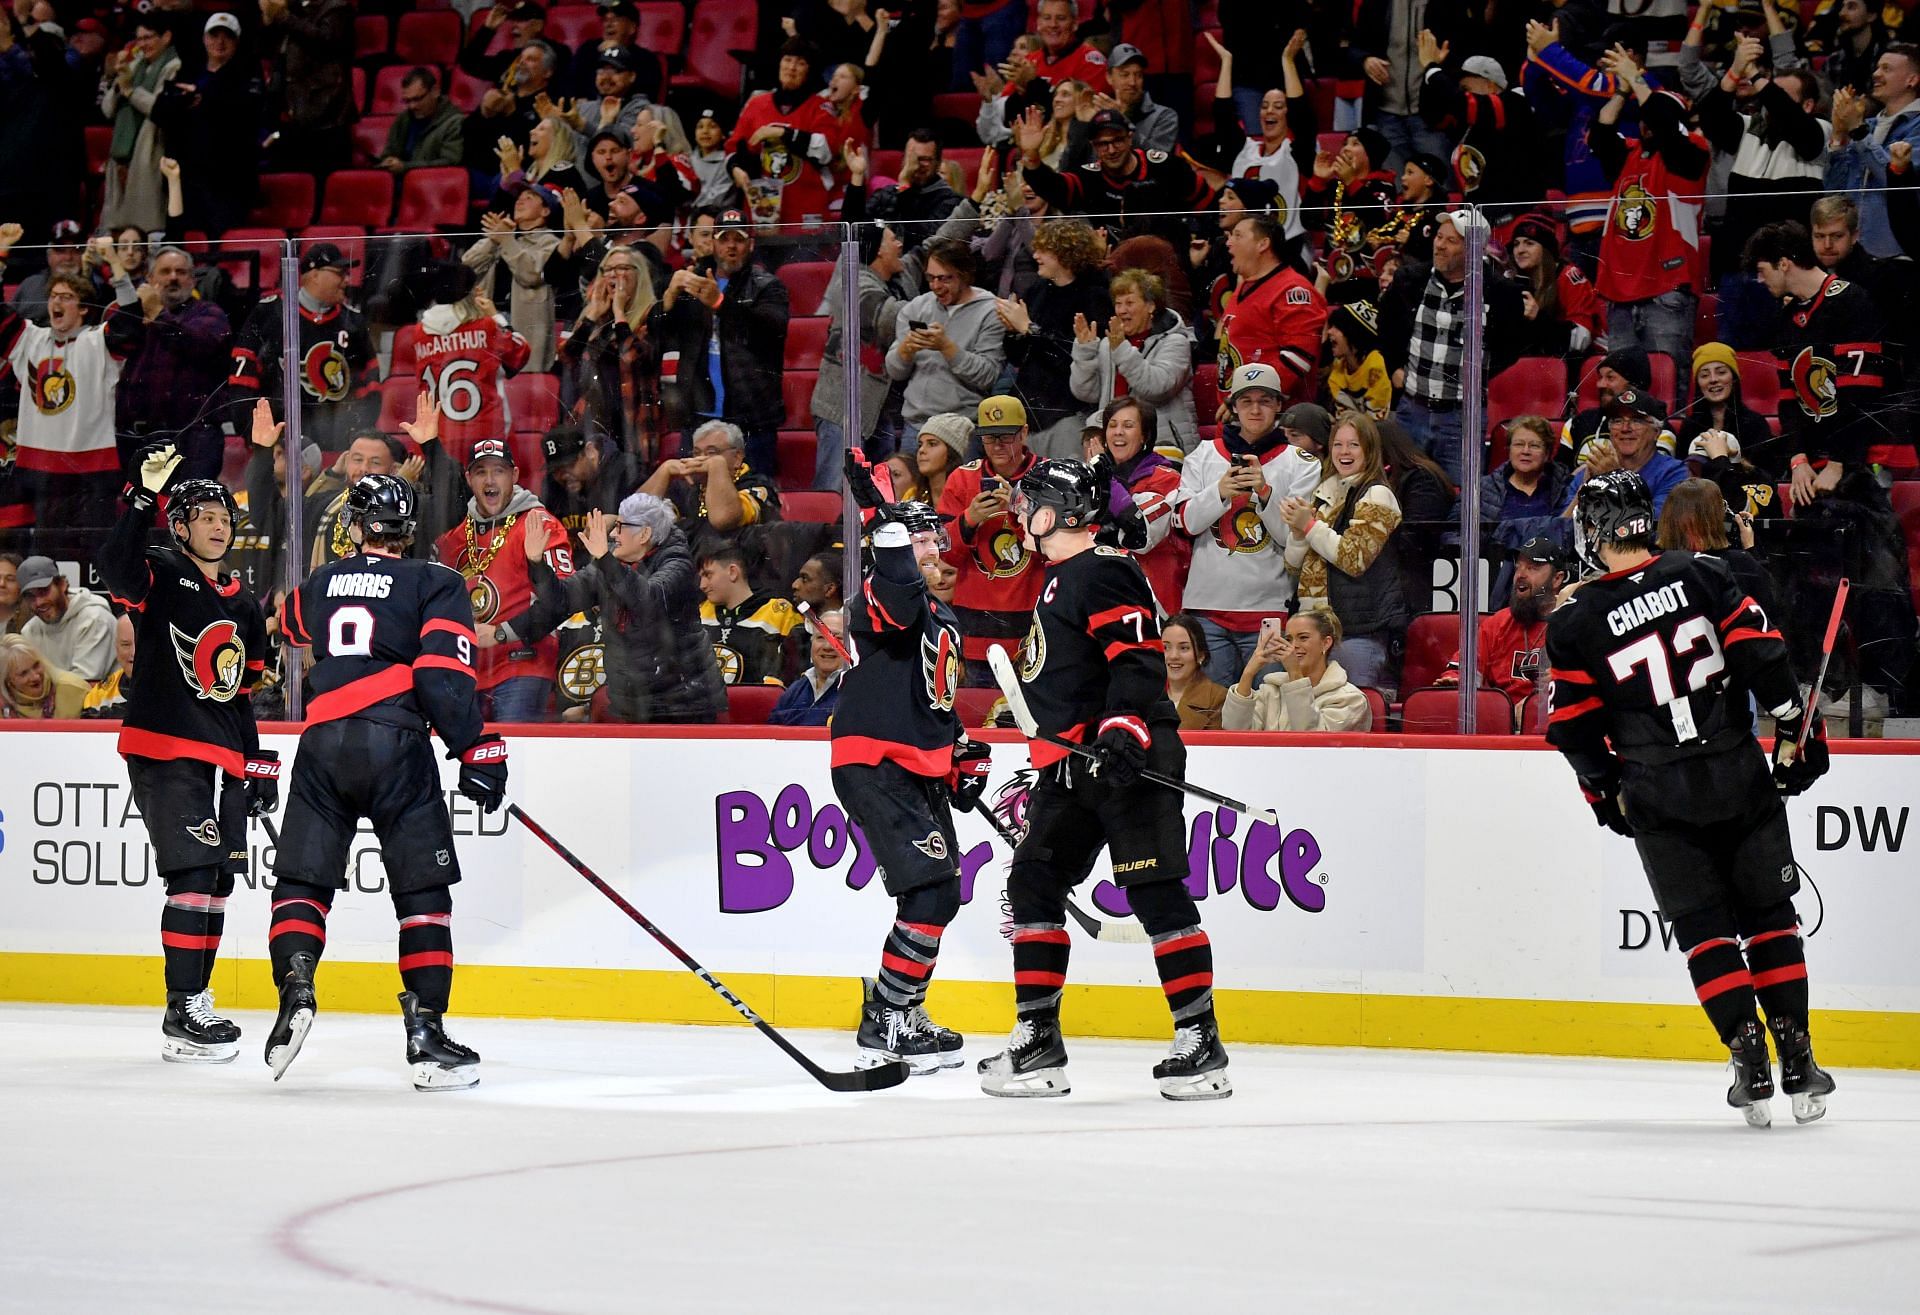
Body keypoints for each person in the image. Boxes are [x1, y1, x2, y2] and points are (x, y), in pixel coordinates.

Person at [1547, 469, 1835, 1126]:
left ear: (1596, 529)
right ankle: (1796, 1053)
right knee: (1769, 915)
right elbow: (1762, 655)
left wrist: (1604, 793)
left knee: (1705, 932)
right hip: (1737, 768)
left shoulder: (1577, 619)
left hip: (1657, 789)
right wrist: (1795, 725)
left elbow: (1573, 728)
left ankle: (1748, 1057)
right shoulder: (1702, 572)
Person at [981, 458, 1230, 1101]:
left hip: (1129, 757)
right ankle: (1038, 1043)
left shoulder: (1104, 570)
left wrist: (1124, 728)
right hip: (1073, 763)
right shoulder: (1061, 578)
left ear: (1062, 514)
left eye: (1030, 500)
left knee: (1155, 893)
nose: (1018, 510)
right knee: (1033, 881)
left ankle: (1200, 1043)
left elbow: (1138, 658)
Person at [267, 474, 507, 1091]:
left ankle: (295, 984)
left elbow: (287, 625)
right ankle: (426, 1032)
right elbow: (438, 675)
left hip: (321, 745)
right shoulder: (436, 581)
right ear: (409, 528)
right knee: (422, 896)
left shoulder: (321, 582)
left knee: (302, 881)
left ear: (355, 525)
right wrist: (476, 748)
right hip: (394, 745)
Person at [97, 443, 271, 1064]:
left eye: (225, 516)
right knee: (194, 876)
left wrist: (254, 765)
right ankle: (183, 1007)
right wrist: (141, 498)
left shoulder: (244, 603)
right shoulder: (162, 573)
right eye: (204, 516)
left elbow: (241, 696)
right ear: (179, 526)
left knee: (217, 881)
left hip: (221, 759)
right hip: (164, 748)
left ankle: (192, 1002)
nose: (219, 524)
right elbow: (114, 568)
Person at [826, 479, 982, 1072]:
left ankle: (901, 1010)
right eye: (920, 536)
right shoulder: (879, 594)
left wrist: (963, 750)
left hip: (916, 763)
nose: (932, 543)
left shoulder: (940, 612)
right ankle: (889, 1019)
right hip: (876, 760)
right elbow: (894, 600)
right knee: (930, 890)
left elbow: (930, 698)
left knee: (940, 891)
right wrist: (888, 534)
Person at [1175, 363, 1325, 686]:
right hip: (1207, 608)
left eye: (1265, 401)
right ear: (1233, 407)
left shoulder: (1302, 463)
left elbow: (1291, 538)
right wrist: (1219, 493)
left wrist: (1264, 492)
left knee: (1268, 714)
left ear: (1278, 406)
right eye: (1246, 401)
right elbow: (1185, 523)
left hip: (1269, 609)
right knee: (1212, 715)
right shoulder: (1201, 456)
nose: (1255, 409)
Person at [525, 494, 724, 723]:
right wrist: (537, 563)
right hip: (633, 704)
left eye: (620, 527)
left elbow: (648, 601)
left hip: (684, 705)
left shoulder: (677, 563)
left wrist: (605, 558)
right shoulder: (611, 565)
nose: (612, 534)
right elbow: (562, 599)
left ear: (645, 534)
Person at [0, 230, 145, 527]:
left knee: (89, 556)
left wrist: (115, 264)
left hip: (92, 471)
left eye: (66, 297)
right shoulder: (29, 337)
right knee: (47, 555)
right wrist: (1, 252)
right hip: (39, 468)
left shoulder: (98, 341)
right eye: (54, 296)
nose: (57, 302)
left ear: (82, 309)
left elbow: (130, 323)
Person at [1745, 220, 1889, 506]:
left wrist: (1838, 462)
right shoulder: (1786, 319)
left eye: (1762, 270)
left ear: (1784, 264)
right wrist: (1798, 460)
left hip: (1860, 461)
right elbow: (1789, 399)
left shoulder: (1850, 301)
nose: (1760, 280)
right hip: (1813, 466)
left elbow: (1860, 393)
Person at [434, 434, 574, 722]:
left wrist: (501, 633)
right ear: (468, 478)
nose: (490, 481)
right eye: (481, 472)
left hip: (523, 666)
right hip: (469, 669)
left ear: (514, 475)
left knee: (515, 758)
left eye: (498, 471)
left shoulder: (539, 524)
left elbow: (563, 599)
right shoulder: (455, 537)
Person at [1381, 209, 1526, 487]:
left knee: (1460, 499)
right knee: (1398, 491)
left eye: (1451, 241)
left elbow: (1511, 348)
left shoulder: (1501, 292)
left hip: (1462, 418)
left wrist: (1478, 375)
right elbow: (1386, 325)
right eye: (1439, 237)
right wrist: (1394, 367)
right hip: (1412, 410)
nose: (1439, 245)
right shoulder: (1411, 279)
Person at [1590, 47, 1710, 361]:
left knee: (1665, 382)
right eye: (1643, 117)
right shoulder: (1630, 153)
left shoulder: (1692, 154)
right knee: (1622, 387)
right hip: (1619, 292)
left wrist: (1637, 78)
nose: (1647, 123)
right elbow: (1600, 134)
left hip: (1666, 288)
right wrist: (1623, 90)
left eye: (1654, 117)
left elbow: (1667, 129)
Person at [651, 208, 791, 475]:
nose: (731, 246)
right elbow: (659, 337)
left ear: (750, 244)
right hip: (698, 415)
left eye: (738, 240)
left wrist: (720, 303)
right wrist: (667, 299)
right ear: (713, 242)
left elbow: (769, 332)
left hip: (751, 418)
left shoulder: (767, 286)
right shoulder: (691, 280)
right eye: (724, 239)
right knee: (694, 501)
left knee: (755, 498)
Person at [1280, 410, 1411, 693]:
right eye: (1338, 444)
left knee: (1350, 717)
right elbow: (1293, 564)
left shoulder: (1378, 495)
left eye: (1354, 444)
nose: (1344, 451)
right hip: (1312, 632)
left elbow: (1354, 559)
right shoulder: (1323, 492)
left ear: (1369, 449)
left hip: (1356, 632)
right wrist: (1297, 530)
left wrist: (1310, 525)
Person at [226, 243, 376, 453]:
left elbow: (370, 388)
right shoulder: (269, 313)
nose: (347, 280)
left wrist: (359, 440)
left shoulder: (353, 321)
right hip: (275, 446)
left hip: (336, 445)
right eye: (340, 273)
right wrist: (253, 437)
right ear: (314, 275)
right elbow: (242, 381)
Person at [936, 395, 1042, 683]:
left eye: (1005, 436)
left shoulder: (1046, 477)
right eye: (988, 437)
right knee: (982, 721)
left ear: (1024, 432)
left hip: (1034, 630)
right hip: (975, 632)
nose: (996, 445)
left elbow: (1057, 551)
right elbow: (944, 553)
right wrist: (969, 519)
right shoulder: (961, 479)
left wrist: (1019, 510)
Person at [1014, 106, 1212, 251]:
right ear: (1093, 145)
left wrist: (1200, 247)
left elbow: (1210, 207)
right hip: (1116, 271)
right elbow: (1054, 188)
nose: (1111, 150)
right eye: (1102, 144)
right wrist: (1031, 154)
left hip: (1171, 265)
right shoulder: (1089, 177)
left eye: (1117, 140)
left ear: (1130, 138)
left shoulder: (1167, 167)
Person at [116, 240, 232, 481]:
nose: (173, 278)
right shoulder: (134, 317)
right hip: (142, 436)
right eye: (165, 272)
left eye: (181, 272)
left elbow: (200, 343)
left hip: (194, 438)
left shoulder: (209, 313)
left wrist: (159, 314)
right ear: (149, 279)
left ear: (193, 279)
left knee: (190, 510)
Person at [997, 218, 1111, 457]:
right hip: (1030, 414)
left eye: (1043, 250)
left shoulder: (1095, 296)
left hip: (1066, 416)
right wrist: (1012, 331)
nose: (1035, 255)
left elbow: (1072, 358)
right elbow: (1019, 358)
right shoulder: (1038, 290)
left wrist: (1029, 328)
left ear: (1066, 253)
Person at [1202, 30, 1313, 249]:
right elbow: (1223, 116)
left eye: (1278, 106)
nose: (1269, 111)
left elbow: (1303, 118)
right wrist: (1227, 62)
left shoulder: (1296, 152)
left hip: (1287, 248)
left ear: (1287, 114)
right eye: (1264, 106)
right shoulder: (1245, 150)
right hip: (1243, 248)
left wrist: (1288, 61)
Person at [410, 266, 534, 460]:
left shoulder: (419, 333)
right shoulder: (485, 325)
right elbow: (521, 353)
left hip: (439, 438)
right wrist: (495, 316)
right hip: (486, 434)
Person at [1070, 268, 1197, 451]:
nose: (1122, 310)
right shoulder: (1110, 344)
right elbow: (1087, 393)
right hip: (1118, 444)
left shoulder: (1175, 342)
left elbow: (1156, 387)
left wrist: (1121, 349)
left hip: (1164, 445)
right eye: (1118, 303)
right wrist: (1085, 353)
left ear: (1151, 306)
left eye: (1129, 302)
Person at [887, 236, 1006, 431]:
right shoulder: (916, 308)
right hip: (917, 425)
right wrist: (905, 351)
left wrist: (946, 347)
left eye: (944, 278)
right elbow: (895, 371)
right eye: (930, 278)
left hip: (963, 426)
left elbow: (988, 375)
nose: (936, 286)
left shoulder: (990, 312)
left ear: (964, 275)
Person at [1438, 537, 1569, 709]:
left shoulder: (1573, 625)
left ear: (1557, 579)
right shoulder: (1498, 624)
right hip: (1501, 724)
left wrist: (1566, 679)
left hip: (1553, 722)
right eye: (1518, 567)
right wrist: (1458, 681)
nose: (1520, 575)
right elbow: (1463, 670)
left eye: (1532, 568)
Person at [1214, 212, 1325, 404]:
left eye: (1238, 235)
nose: (1229, 243)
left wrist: (1247, 399)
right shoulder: (1243, 287)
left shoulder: (1292, 289)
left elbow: (1297, 358)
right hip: (1237, 415)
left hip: (1274, 420)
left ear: (1263, 244)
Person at [639, 418, 783, 563]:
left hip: (743, 573)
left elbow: (723, 519)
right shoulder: (689, 487)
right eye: (696, 453)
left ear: (737, 457)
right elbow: (636, 518)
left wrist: (717, 466)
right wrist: (665, 470)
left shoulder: (758, 486)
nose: (702, 459)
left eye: (712, 452)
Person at [1823, 46, 1920, 258]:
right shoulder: (1867, 125)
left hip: (1898, 256)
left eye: (1886, 69)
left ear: (1911, 80)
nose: (1876, 74)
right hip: (1854, 256)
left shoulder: (1916, 127)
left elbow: (1897, 181)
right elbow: (1833, 193)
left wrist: (1857, 131)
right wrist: (1839, 137)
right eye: (1877, 68)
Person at [1095, 398, 1189, 613]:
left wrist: (1107, 480)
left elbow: (1140, 536)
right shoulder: (1094, 479)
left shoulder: (1166, 479)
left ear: (1145, 436)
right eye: (1112, 425)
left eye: (1128, 426)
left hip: (1155, 605)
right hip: (1103, 599)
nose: (1118, 432)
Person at [462, 180, 562, 373]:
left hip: (524, 334)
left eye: (529, 198)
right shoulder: (502, 238)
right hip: (488, 325)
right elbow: (465, 269)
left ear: (545, 211)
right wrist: (492, 240)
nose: (520, 201)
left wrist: (506, 239)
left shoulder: (551, 244)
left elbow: (531, 275)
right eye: (519, 197)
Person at [1223, 608, 1373, 731]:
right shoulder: (1270, 692)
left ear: (1326, 643)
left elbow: (1311, 742)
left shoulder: (1350, 699)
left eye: (1303, 638)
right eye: (1288, 639)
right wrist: (1248, 673)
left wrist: (1295, 673)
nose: (1292, 646)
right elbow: (1234, 732)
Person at [98, 17, 180, 234]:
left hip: (151, 152)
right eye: (139, 39)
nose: (143, 44)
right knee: (117, 228)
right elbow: (107, 109)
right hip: (121, 158)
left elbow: (160, 109)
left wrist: (131, 92)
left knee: (146, 226)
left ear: (166, 37)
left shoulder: (174, 67)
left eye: (148, 37)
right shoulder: (134, 66)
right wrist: (117, 84)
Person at [1560, 387, 1691, 517]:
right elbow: (1561, 528)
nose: (1625, 428)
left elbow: (1656, 524)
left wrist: (1615, 480)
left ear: (1656, 432)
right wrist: (1585, 488)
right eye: (1617, 421)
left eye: (1636, 420)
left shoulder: (1674, 473)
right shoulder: (1590, 473)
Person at [698, 545, 803, 686]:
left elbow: (792, 673)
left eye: (708, 575)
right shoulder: (701, 611)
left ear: (733, 572)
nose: (702, 585)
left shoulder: (779, 613)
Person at [1508, 213, 1604, 358]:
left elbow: (1580, 340)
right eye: (1516, 244)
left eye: (1529, 243)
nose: (1520, 250)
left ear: (1547, 249)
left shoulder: (1569, 277)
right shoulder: (1514, 280)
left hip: (1575, 363)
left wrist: (1538, 318)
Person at [541, 425, 648, 548]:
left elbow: (650, 522)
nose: (563, 476)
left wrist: (616, 520)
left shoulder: (626, 471)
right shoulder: (553, 485)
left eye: (569, 465)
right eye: (556, 470)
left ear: (590, 451)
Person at [1677, 343, 1776, 474]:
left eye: (1721, 372)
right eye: (1704, 375)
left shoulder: (1755, 423)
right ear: (1698, 384)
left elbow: (1766, 475)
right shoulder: (1689, 426)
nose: (1713, 380)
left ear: (1734, 378)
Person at [17, 554, 116, 682]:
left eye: (43, 591)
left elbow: (83, 685)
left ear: (62, 584)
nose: (39, 602)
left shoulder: (94, 619)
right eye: (30, 596)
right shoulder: (30, 631)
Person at [1482, 415, 1573, 531]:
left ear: (1547, 454)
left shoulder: (1565, 487)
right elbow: (1456, 534)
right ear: (1509, 450)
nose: (1525, 451)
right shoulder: (1483, 489)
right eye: (1519, 444)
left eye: (1534, 446)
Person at [378, 67, 466, 175]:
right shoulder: (403, 119)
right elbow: (389, 152)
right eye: (407, 101)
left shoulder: (455, 122)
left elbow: (450, 163)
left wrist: (405, 167)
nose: (412, 106)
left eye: (417, 99)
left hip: (433, 185)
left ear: (435, 91)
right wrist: (387, 161)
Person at [766, 609, 845, 726]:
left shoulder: (858, 691)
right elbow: (771, 733)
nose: (827, 646)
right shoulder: (795, 690)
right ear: (811, 643)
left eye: (837, 638)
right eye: (821, 637)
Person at [1322, 300, 1390, 420]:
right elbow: (1343, 420)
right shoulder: (1338, 368)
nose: (1329, 331)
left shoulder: (1375, 366)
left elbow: (1376, 426)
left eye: (1337, 327)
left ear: (1353, 334)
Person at [0, 634, 90, 718]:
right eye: (24, 673)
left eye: (36, 665)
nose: (35, 677)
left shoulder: (73, 689)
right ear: (8, 680)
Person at [1161, 613, 1225, 730]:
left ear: (1201, 655)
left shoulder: (1218, 698)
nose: (1173, 656)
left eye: (1184, 648)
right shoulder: (1144, 693)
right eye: (1165, 647)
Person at [82, 612, 138, 718]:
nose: (134, 652)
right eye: (126, 645)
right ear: (116, 647)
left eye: (139, 642)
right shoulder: (101, 693)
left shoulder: (174, 687)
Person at [911, 412, 971, 507]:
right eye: (920, 445)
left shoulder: (969, 500)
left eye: (932, 444)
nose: (921, 450)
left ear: (951, 452)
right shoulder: (912, 495)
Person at [792, 552, 843, 616]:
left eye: (805, 579)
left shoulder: (853, 624)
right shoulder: (799, 625)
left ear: (829, 589)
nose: (794, 585)